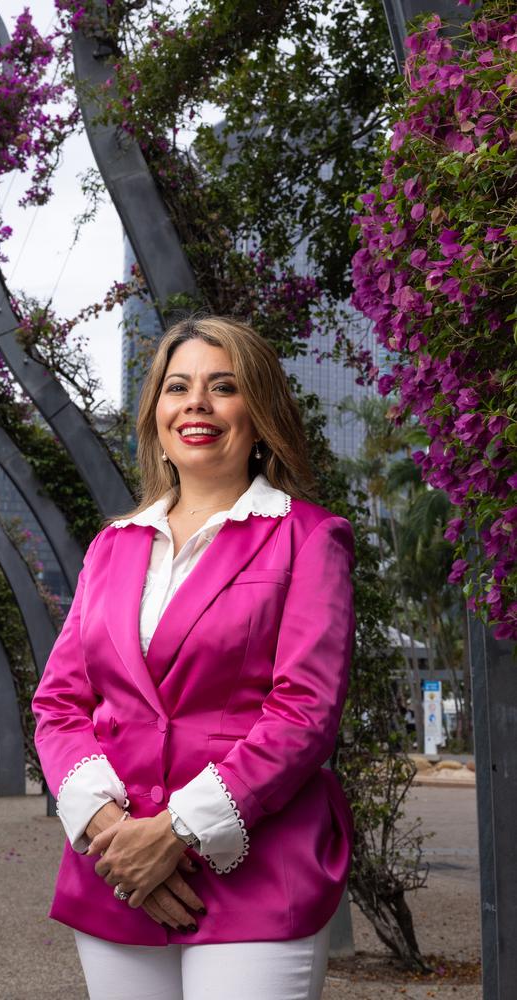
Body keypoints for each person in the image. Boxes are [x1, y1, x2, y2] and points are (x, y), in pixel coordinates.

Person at [32, 315, 356, 1000]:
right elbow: (60, 705)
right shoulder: (111, 546)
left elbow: (305, 711)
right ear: (155, 414)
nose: (196, 404)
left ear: (260, 412)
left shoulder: (309, 538)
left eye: (223, 386)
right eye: (177, 387)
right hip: (119, 864)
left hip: (261, 862)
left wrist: (174, 833)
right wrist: (111, 832)